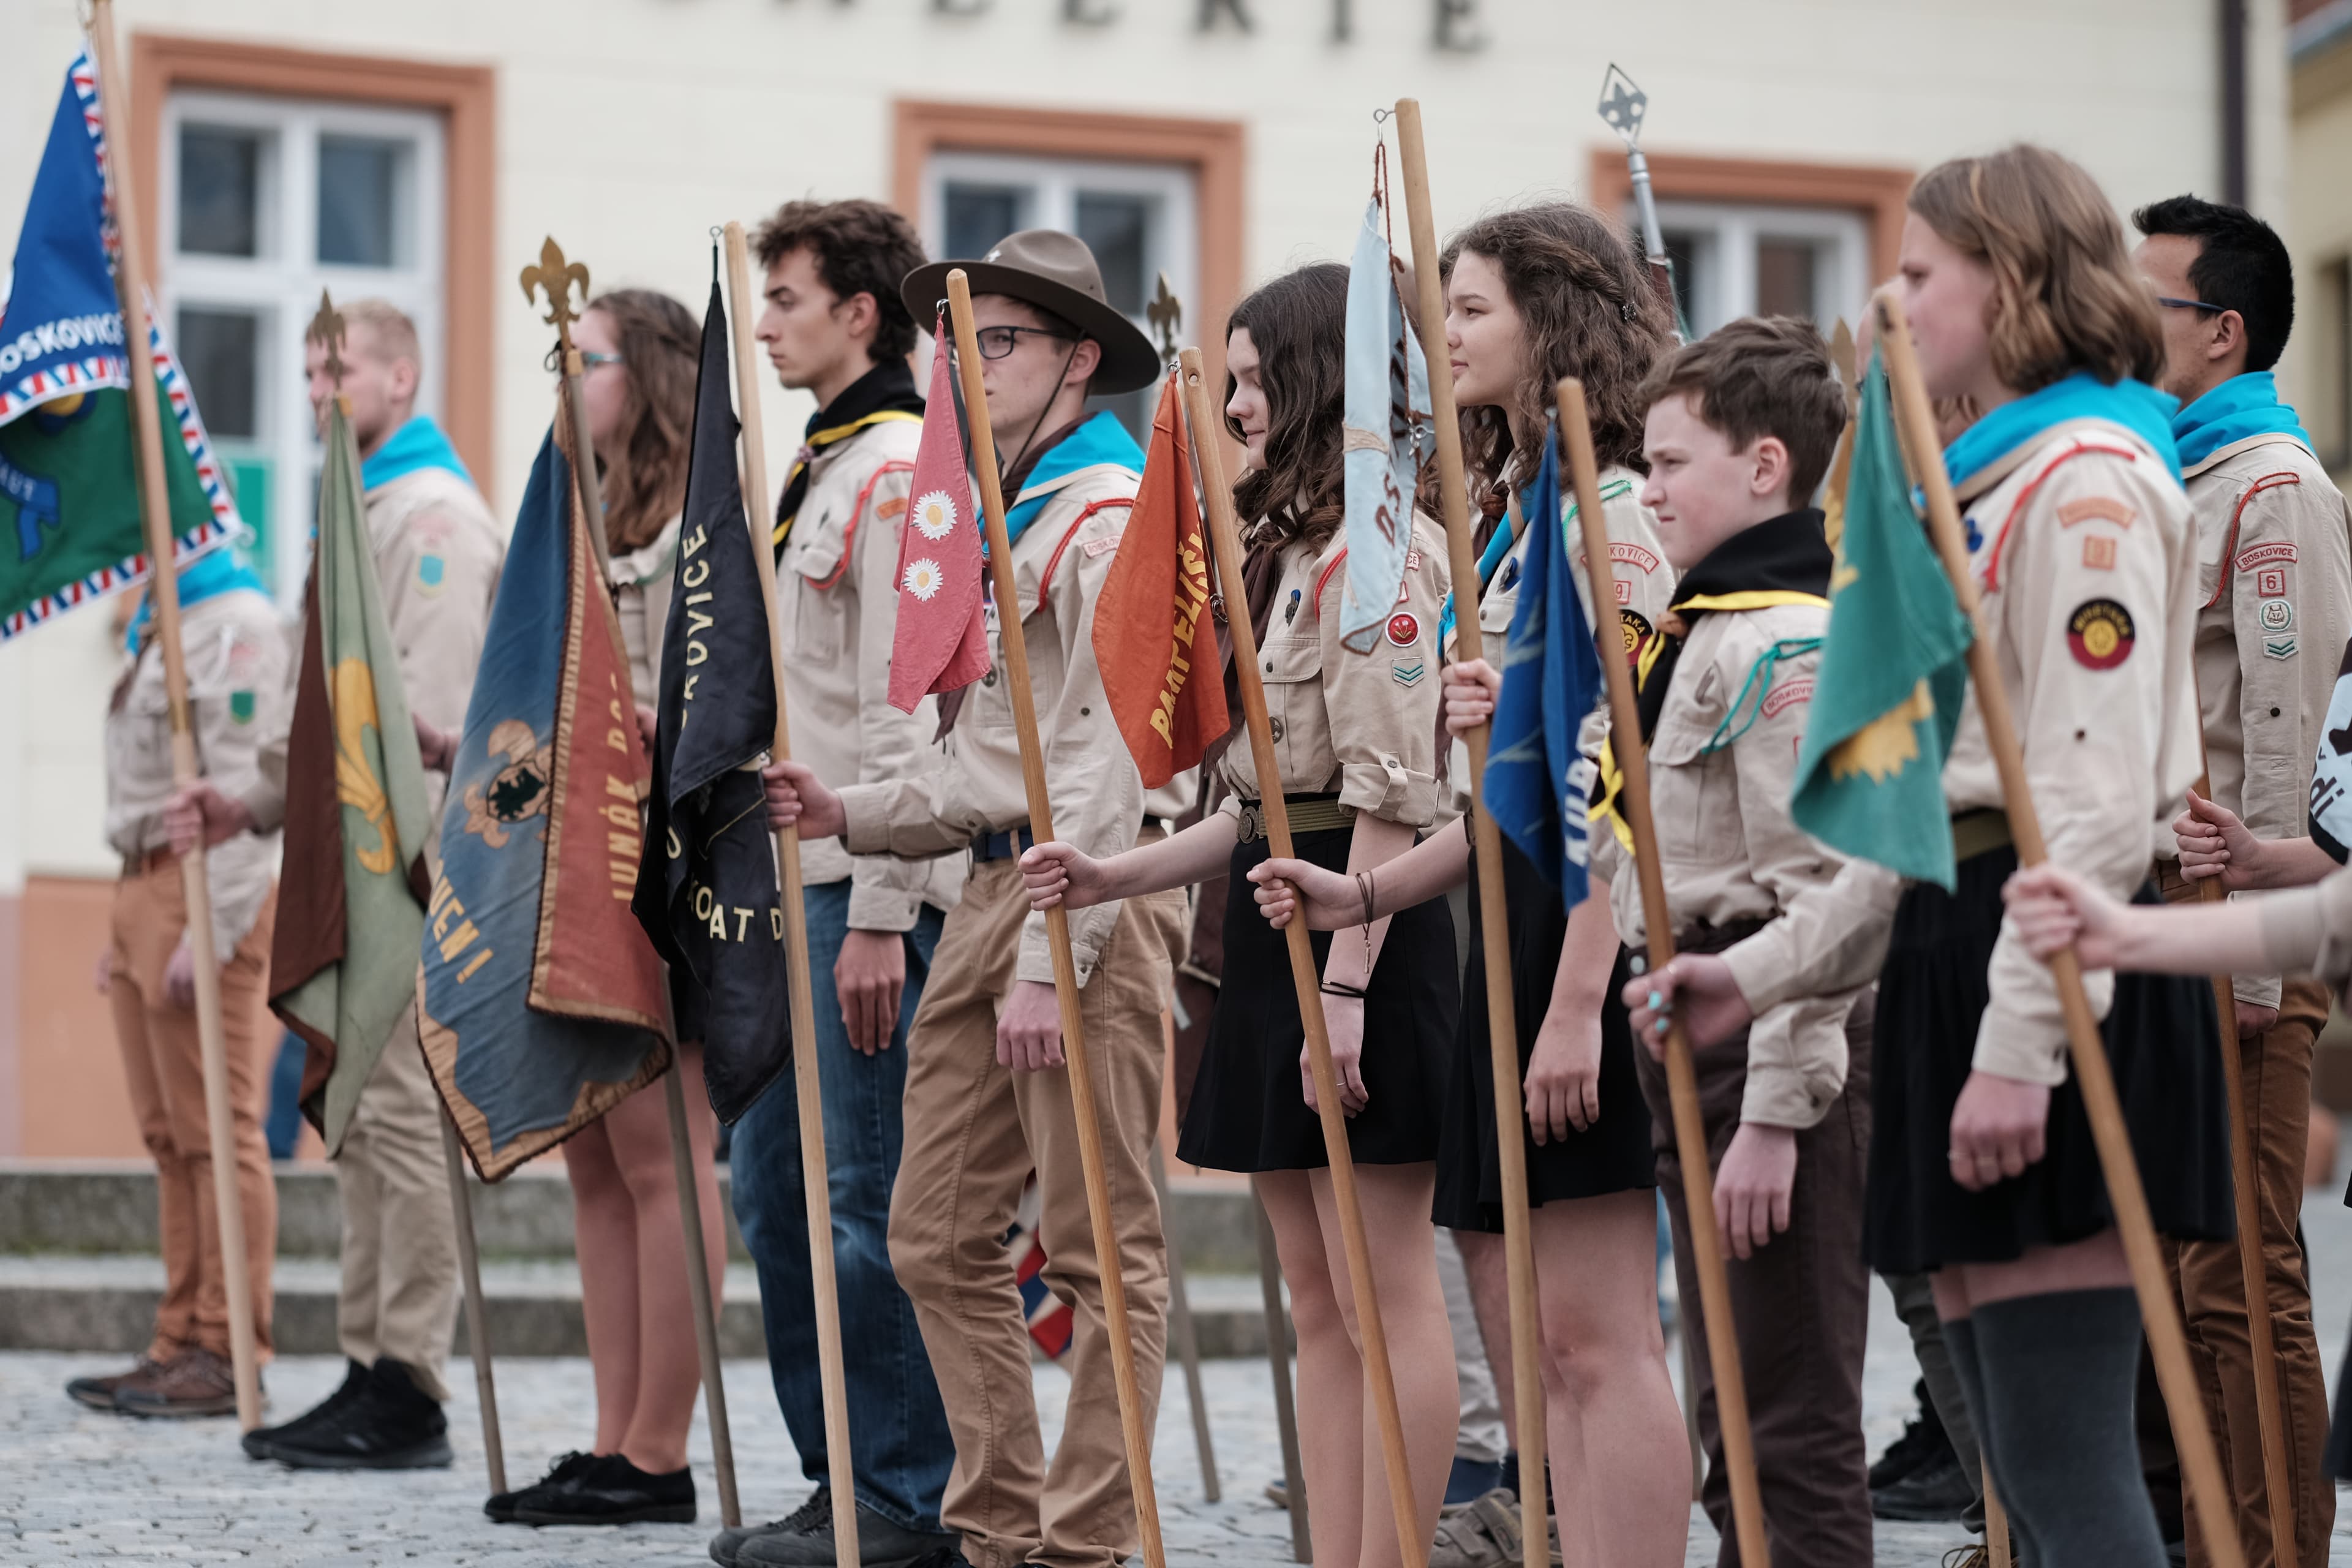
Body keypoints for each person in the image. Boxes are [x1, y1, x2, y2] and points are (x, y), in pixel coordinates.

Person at [1633, 145, 2234, 1564]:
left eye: (1916, 271)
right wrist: (1768, 973)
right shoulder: (1990, 482)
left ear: (2011, 280)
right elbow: (1923, 817)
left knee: (2066, 1454)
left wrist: (2022, 1046)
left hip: (2050, 964)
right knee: (2015, 1462)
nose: (1889, 299)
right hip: (1963, 942)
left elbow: (2076, 806)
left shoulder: (2084, 483)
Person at [1254, 205, 1691, 1568]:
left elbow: (1617, 772)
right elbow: (1507, 796)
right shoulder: (1519, 517)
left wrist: (1577, 1000)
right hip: (1508, 921)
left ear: (1554, 322)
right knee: (1544, 1337)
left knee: (1601, 1338)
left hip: (1584, 943)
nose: (1444, 334)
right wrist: (1367, 902)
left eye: (1472, 309)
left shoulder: (1611, 517)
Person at [1019, 262, 1463, 1568]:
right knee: (1315, 1298)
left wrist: (1347, 993)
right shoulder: (1283, 549)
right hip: (1276, 923)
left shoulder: (1384, 545)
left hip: (1360, 938)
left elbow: (1386, 796)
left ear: (1326, 375)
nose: (1241, 404)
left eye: (1262, 376)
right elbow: (1263, 805)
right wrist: (1119, 873)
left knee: (1385, 1291)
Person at [760, 229, 1182, 1568]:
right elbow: (990, 751)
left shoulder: (1105, 509)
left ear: (1076, 360)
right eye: (963, 339)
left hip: (1086, 888)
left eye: (1001, 340)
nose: (969, 364)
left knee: (1099, 1248)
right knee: (934, 1229)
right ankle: (992, 1522)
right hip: (995, 875)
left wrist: (1061, 961)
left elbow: (1105, 757)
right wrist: (854, 813)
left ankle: (1082, 1540)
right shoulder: (1016, 505)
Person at [165, 299, 505, 1468]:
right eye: (310, 371)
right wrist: (252, 801)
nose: (319, 390)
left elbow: (435, 721)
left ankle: (408, 1382)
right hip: (349, 862)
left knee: (403, 1118)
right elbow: (328, 707)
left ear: (401, 377)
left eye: (339, 368)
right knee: (361, 1112)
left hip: (410, 869)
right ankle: (369, 1363)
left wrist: (371, 847)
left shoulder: (433, 520)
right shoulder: (357, 509)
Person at [715, 198, 964, 1568]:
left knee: (864, 1198)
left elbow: (899, 702)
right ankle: (838, 1479)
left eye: (790, 299)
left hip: (858, 890)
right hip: (784, 882)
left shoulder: (894, 473)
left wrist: (878, 908)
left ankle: (904, 1497)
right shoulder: (820, 464)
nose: (767, 324)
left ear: (861, 314)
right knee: (773, 1194)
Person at [455, 286, 726, 1528]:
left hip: (662, 866)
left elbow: (723, 707)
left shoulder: (699, 530)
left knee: (665, 1153)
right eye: (557, 355)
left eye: (588, 355)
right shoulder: (577, 521)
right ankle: (614, 1431)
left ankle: (661, 1448)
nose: (564, 375)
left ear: (654, 370)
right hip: (570, 874)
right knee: (594, 1156)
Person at [2130, 192, 2349, 1568]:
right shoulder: (2180, 468)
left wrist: (2263, 955)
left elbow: (2287, 725)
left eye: (2142, 303)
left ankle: (2276, 1549)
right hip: (2166, 917)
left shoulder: (2274, 487)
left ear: (2221, 330)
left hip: (2235, 922)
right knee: (2182, 1267)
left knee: (2243, 1273)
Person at [66, 549, 287, 1419]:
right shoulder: (162, 625)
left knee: (216, 1133)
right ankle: (178, 1341)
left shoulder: (238, 627)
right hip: (143, 884)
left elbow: (239, 798)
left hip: (201, 887)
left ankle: (230, 1345)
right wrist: (127, 924)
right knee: (166, 1134)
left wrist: (211, 925)